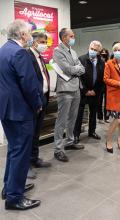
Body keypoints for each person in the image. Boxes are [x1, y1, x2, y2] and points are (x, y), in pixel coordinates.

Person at [0, 20, 42, 210]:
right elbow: (29, 85)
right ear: (22, 35)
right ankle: (14, 198)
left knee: (13, 149)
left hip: (7, 109)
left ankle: (9, 187)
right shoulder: (19, 52)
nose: (30, 36)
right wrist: (37, 104)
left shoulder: (3, 50)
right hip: (20, 111)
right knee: (21, 152)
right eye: (28, 33)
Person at [53, 28, 85, 162]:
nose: (73, 38)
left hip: (76, 88)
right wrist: (76, 69)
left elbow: (82, 68)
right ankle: (58, 149)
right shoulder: (57, 51)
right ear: (64, 37)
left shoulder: (73, 51)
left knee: (73, 117)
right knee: (62, 120)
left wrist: (75, 69)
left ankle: (70, 142)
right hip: (65, 90)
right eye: (71, 36)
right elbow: (66, 69)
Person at [26, 32, 52, 179]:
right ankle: (27, 165)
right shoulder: (27, 56)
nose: (44, 45)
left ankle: (34, 159)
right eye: (42, 42)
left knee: (36, 132)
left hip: (43, 98)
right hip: (34, 101)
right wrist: (36, 100)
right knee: (29, 134)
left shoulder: (40, 57)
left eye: (45, 42)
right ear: (34, 42)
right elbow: (29, 81)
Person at [73, 41, 104, 144]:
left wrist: (95, 91)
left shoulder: (102, 62)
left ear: (99, 52)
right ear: (89, 47)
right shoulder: (81, 59)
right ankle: (76, 135)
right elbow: (78, 77)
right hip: (83, 92)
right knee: (79, 114)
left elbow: (102, 79)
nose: (93, 51)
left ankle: (92, 131)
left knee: (93, 113)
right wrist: (85, 90)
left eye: (95, 50)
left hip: (95, 93)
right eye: (92, 48)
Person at [100, 48, 110, 123]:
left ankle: (106, 117)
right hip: (100, 83)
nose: (103, 54)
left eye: (105, 53)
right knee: (99, 101)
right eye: (102, 53)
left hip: (107, 84)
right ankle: (100, 117)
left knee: (107, 101)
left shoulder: (109, 62)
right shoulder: (98, 62)